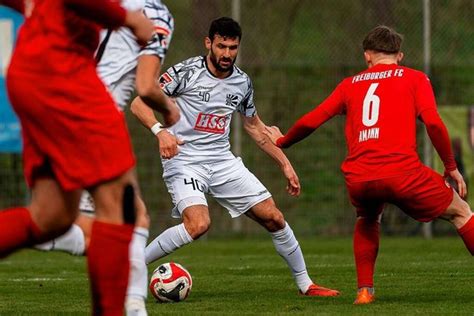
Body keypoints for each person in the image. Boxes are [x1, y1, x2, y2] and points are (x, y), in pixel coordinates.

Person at [130, 16, 340, 297]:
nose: (227, 54)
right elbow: (138, 103)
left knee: (274, 217)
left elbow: (255, 127)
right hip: (184, 159)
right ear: (209, 43)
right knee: (198, 224)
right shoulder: (186, 72)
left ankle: (306, 285)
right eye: (221, 46)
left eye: (233, 48)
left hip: (222, 161)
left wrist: (285, 164)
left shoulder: (242, 82)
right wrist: (160, 131)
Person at [264, 25, 474, 305]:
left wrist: (283, 141)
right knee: (461, 212)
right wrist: (450, 166)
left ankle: (364, 291)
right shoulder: (414, 78)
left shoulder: (349, 84)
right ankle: (365, 289)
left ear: (367, 56)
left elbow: (313, 119)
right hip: (402, 173)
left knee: (367, 218)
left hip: (360, 177)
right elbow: (434, 122)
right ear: (399, 55)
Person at [0, 0, 161, 314]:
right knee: (120, 200)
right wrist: (129, 19)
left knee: (51, 216)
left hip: (39, 68)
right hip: (59, 71)